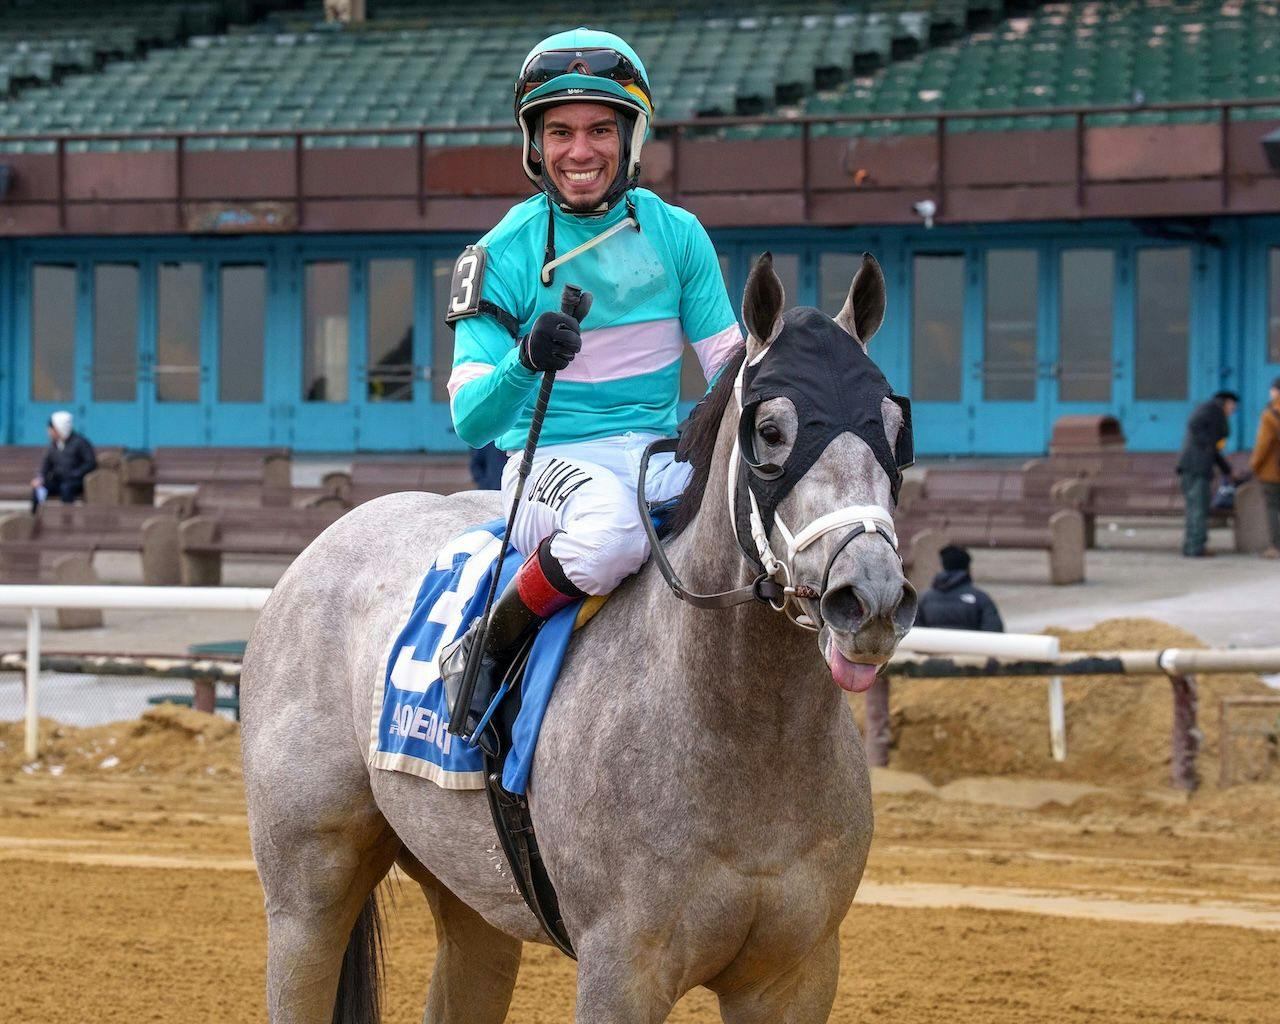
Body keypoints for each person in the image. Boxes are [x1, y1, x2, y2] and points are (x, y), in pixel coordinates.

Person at [440, 28, 742, 736]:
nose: (581, 151)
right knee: (610, 534)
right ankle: (490, 642)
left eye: (601, 129)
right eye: (561, 131)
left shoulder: (679, 235)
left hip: (657, 456)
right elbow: (471, 421)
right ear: (535, 145)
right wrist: (525, 361)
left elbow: (728, 368)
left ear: (631, 138)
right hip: (550, 462)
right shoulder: (500, 253)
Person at [1176, 390, 1239, 557]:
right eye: (1233, 407)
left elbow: (1214, 450)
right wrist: (1207, 444)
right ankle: (1195, 548)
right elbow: (1195, 424)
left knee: (1195, 509)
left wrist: (1227, 470)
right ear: (1227, 403)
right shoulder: (1212, 410)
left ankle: (1192, 546)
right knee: (1198, 508)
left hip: (1192, 466)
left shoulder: (1210, 411)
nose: (1233, 411)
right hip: (1196, 468)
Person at [914, 545, 1004, 632]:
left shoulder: (924, 598)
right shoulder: (980, 598)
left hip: (931, 647)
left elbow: (914, 629)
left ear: (943, 566)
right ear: (968, 568)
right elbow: (993, 631)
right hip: (969, 647)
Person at [30, 411, 96, 513]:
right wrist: (40, 478)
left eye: (52, 429)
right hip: (58, 480)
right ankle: (35, 518)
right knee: (38, 489)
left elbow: (90, 463)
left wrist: (76, 473)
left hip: (75, 481)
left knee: (66, 489)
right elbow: (46, 465)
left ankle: (66, 519)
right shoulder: (53, 445)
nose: (49, 432)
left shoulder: (80, 442)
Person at [1249, 376, 1280, 558]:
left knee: (1273, 508)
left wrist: (1254, 465)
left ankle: (1275, 546)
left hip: (1273, 471)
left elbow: (1263, 444)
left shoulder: (1271, 413)